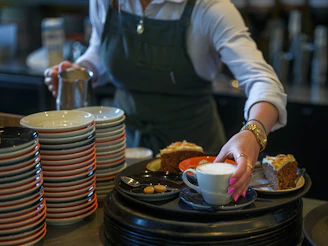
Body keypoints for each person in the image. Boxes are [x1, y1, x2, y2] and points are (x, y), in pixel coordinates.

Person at [44, 0, 287, 202]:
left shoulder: (209, 8)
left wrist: (254, 132)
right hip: (124, 153)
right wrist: (81, 71)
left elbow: (262, 80)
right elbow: (101, 51)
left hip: (194, 165)